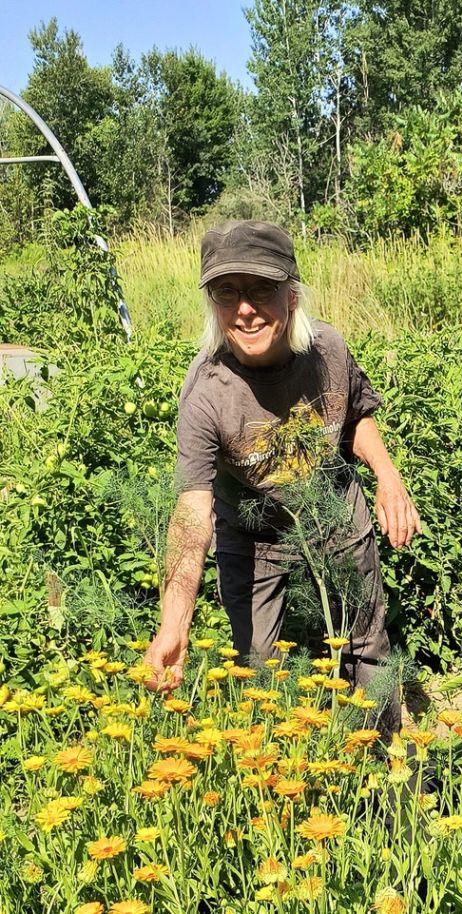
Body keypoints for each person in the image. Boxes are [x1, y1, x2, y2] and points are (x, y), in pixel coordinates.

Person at [143, 220, 420, 735]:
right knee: (257, 667)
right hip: (251, 534)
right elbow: (192, 512)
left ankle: (386, 758)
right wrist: (174, 625)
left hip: (334, 513)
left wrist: (387, 475)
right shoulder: (207, 393)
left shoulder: (327, 350)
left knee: (367, 647)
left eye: (261, 290)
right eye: (227, 292)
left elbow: (354, 413)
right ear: (212, 304)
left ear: (292, 295)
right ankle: (275, 769)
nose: (245, 309)